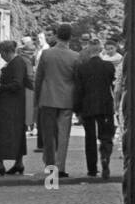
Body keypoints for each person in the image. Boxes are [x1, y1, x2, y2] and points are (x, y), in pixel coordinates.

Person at [34, 22, 81, 177]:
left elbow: (39, 78)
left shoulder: (47, 54)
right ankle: (60, 167)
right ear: (70, 37)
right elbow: (77, 80)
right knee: (63, 135)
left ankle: (50, 167)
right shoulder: (75, 56)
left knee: (48, 136)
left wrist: (36, 99)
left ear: (56, 35)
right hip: (66, 99)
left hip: (47, 98)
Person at [74, 39, 116, 180]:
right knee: (106, 135)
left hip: (88, 106)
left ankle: (92, 168)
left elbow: (79, 90)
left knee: (90, 138)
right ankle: (105, 157)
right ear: (100, 50)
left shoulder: (82, 68)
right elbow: (112, 84)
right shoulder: (108, 66)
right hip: (105, 105)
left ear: (89, 51)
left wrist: (77, 110)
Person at [0, 39, 29, 177]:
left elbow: (16, 84)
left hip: (11, 105)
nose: (0, 56)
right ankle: (18, 163)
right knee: (17, 134)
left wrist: (0, 87)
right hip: (15, 104)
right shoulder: (18, 62)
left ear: (5, 52)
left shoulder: (16, 64)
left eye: (1, 53)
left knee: (2, 134)